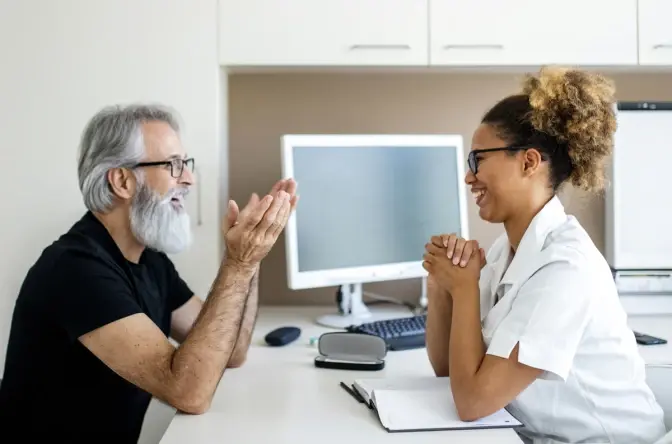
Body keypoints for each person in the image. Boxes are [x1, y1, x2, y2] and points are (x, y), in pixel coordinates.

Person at [0, 104, 298, 443]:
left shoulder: (149, 260)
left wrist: (251, 258)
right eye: (173, 165)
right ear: (123, 180)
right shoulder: (75, 270)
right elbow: (190, 393)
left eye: (186, 164)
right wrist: (239, 263)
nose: (189, 178)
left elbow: (231, 352)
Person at [423, 67, 666, 444]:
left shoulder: (567, 268)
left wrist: (466, 288)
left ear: (529, 162)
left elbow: (472, 401)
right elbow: (447, 370)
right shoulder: (509, 249)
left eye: (477, 161)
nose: (469, 177)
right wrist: (442, 285)